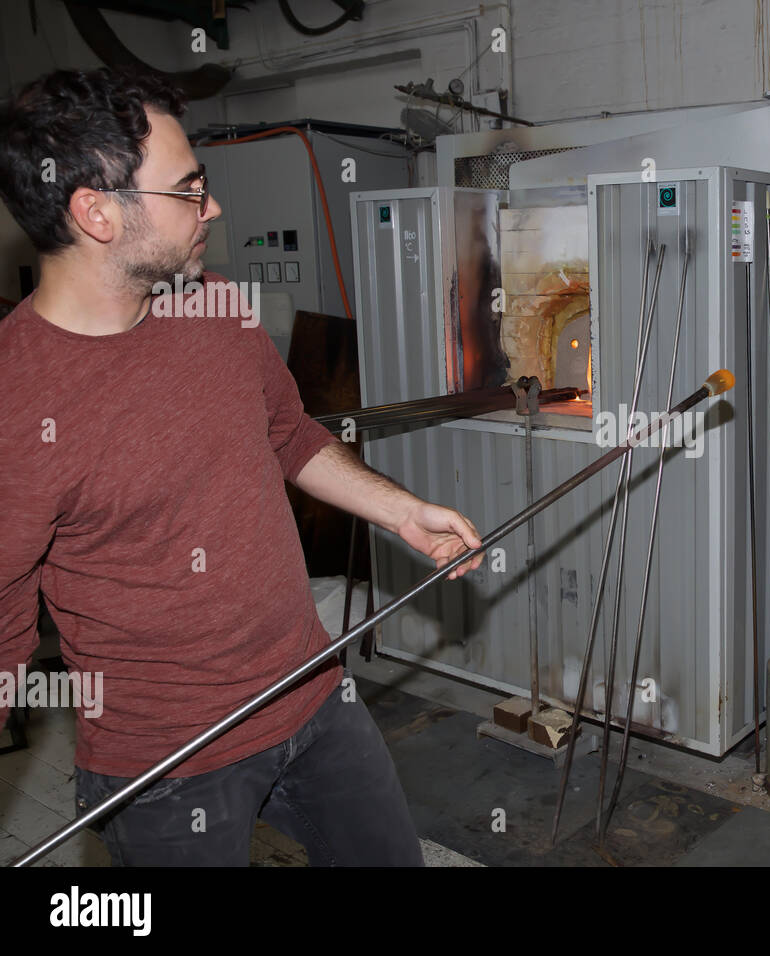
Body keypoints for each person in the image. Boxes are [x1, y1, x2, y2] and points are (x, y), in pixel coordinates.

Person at [0, 67, 484, 866]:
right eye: (188, 189)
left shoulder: (212, 305)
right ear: (95, 212)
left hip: (310, 693)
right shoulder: (19, 401)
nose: (213, 208)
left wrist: (399, 511)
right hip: (166, 765)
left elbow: (288, 432)